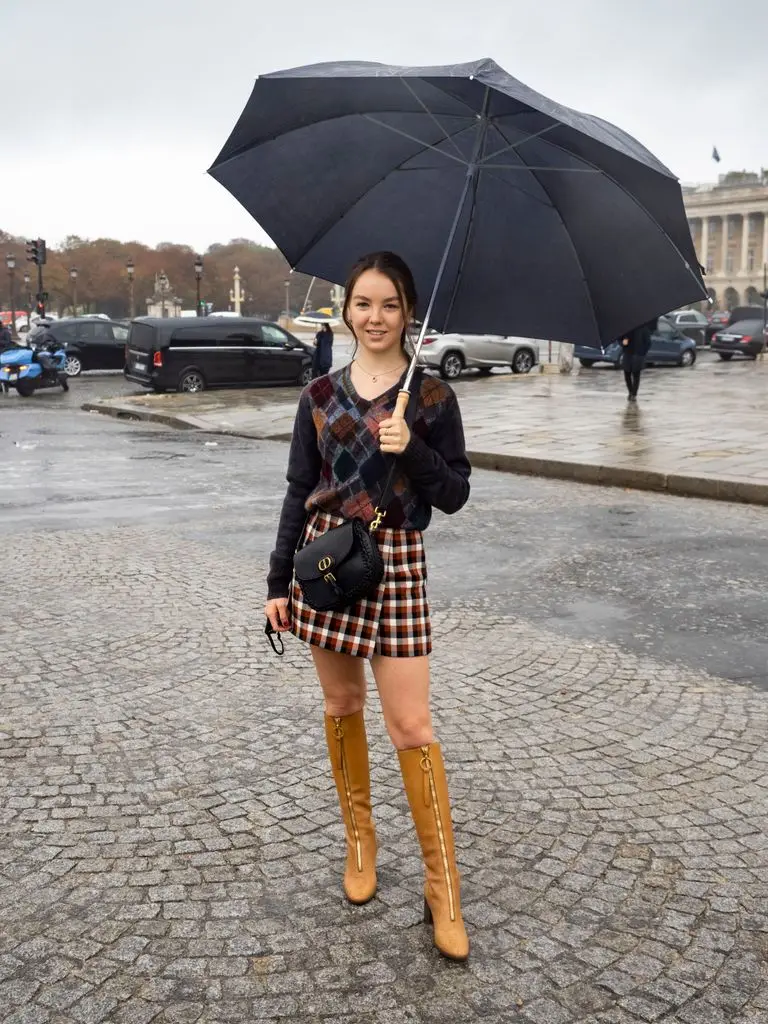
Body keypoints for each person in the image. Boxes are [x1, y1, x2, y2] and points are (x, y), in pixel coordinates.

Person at [264, 251, 472, 961]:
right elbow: (299, 489)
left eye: (389, 304)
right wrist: (274, 585)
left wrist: (412, 449)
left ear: (409, 311)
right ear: (345, 309)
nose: (375, 317)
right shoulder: (319, 395)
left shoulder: (434, 399)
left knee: (412, 725)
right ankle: (360, 841)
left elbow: (454, 494)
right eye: (363, 303)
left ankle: (443, 885)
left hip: (400, 562)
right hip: (328, 559)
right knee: (342, 708)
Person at [621, 317, 656, 401]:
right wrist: (623, 343)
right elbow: (621, 339)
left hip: (638, 355)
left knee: (636, 375)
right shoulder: (626, 329)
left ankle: (634, 394)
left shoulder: (643, 328)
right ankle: (630, 392)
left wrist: (642, 353)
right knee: (627, 374)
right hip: (628, 354)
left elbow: (648, 343)